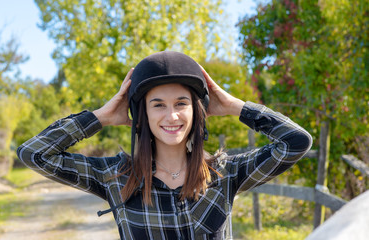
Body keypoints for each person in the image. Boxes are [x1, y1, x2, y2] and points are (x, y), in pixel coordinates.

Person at [17, 51, 312, 239]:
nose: (171, 116)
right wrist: (101, 117)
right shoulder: (116, 177)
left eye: (181, 103)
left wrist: (236, 107)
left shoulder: (224, 174)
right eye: (158, 105)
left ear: (196, 110)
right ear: (142, 113)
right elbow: (34, 154)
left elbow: (296, 142)